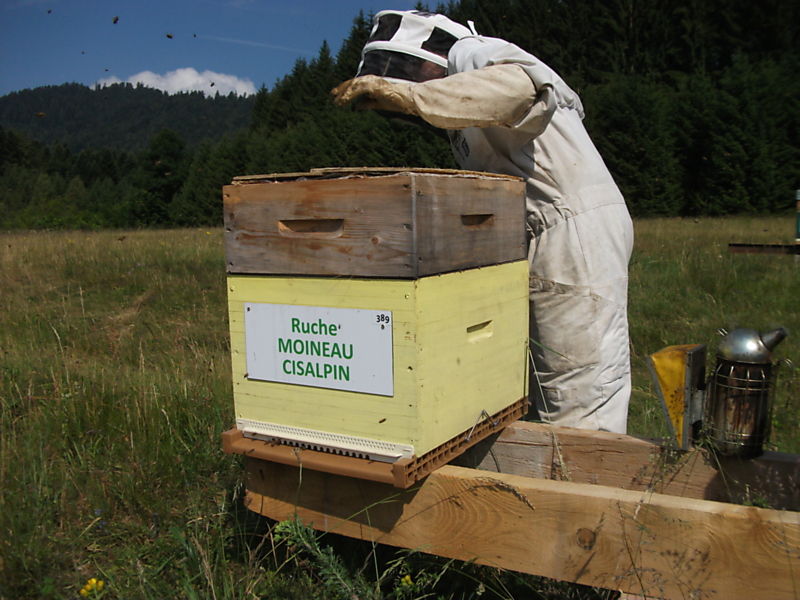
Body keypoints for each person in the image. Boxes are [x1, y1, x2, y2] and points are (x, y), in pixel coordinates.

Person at [332, 10, 633, 433]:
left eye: (404, 72)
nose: (406, 84)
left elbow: (519, 89)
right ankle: (550, 475)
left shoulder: (473, 53)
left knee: (579, 384)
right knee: (542, 372)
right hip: (541, 231)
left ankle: (588, 486)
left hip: (572, 230)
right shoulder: (462, 94)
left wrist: (410, 96)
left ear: (425, 57)